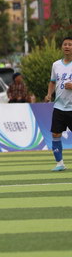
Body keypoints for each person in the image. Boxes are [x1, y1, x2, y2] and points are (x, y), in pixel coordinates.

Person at [45, 36, 72, 172]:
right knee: (55, 134)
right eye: (65, 44)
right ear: (61, 47)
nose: (67, 46)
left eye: (70, 44)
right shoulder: (56, 65)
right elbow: (52, 82)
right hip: (59, 107)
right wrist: (49, 94)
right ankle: (60, 163)